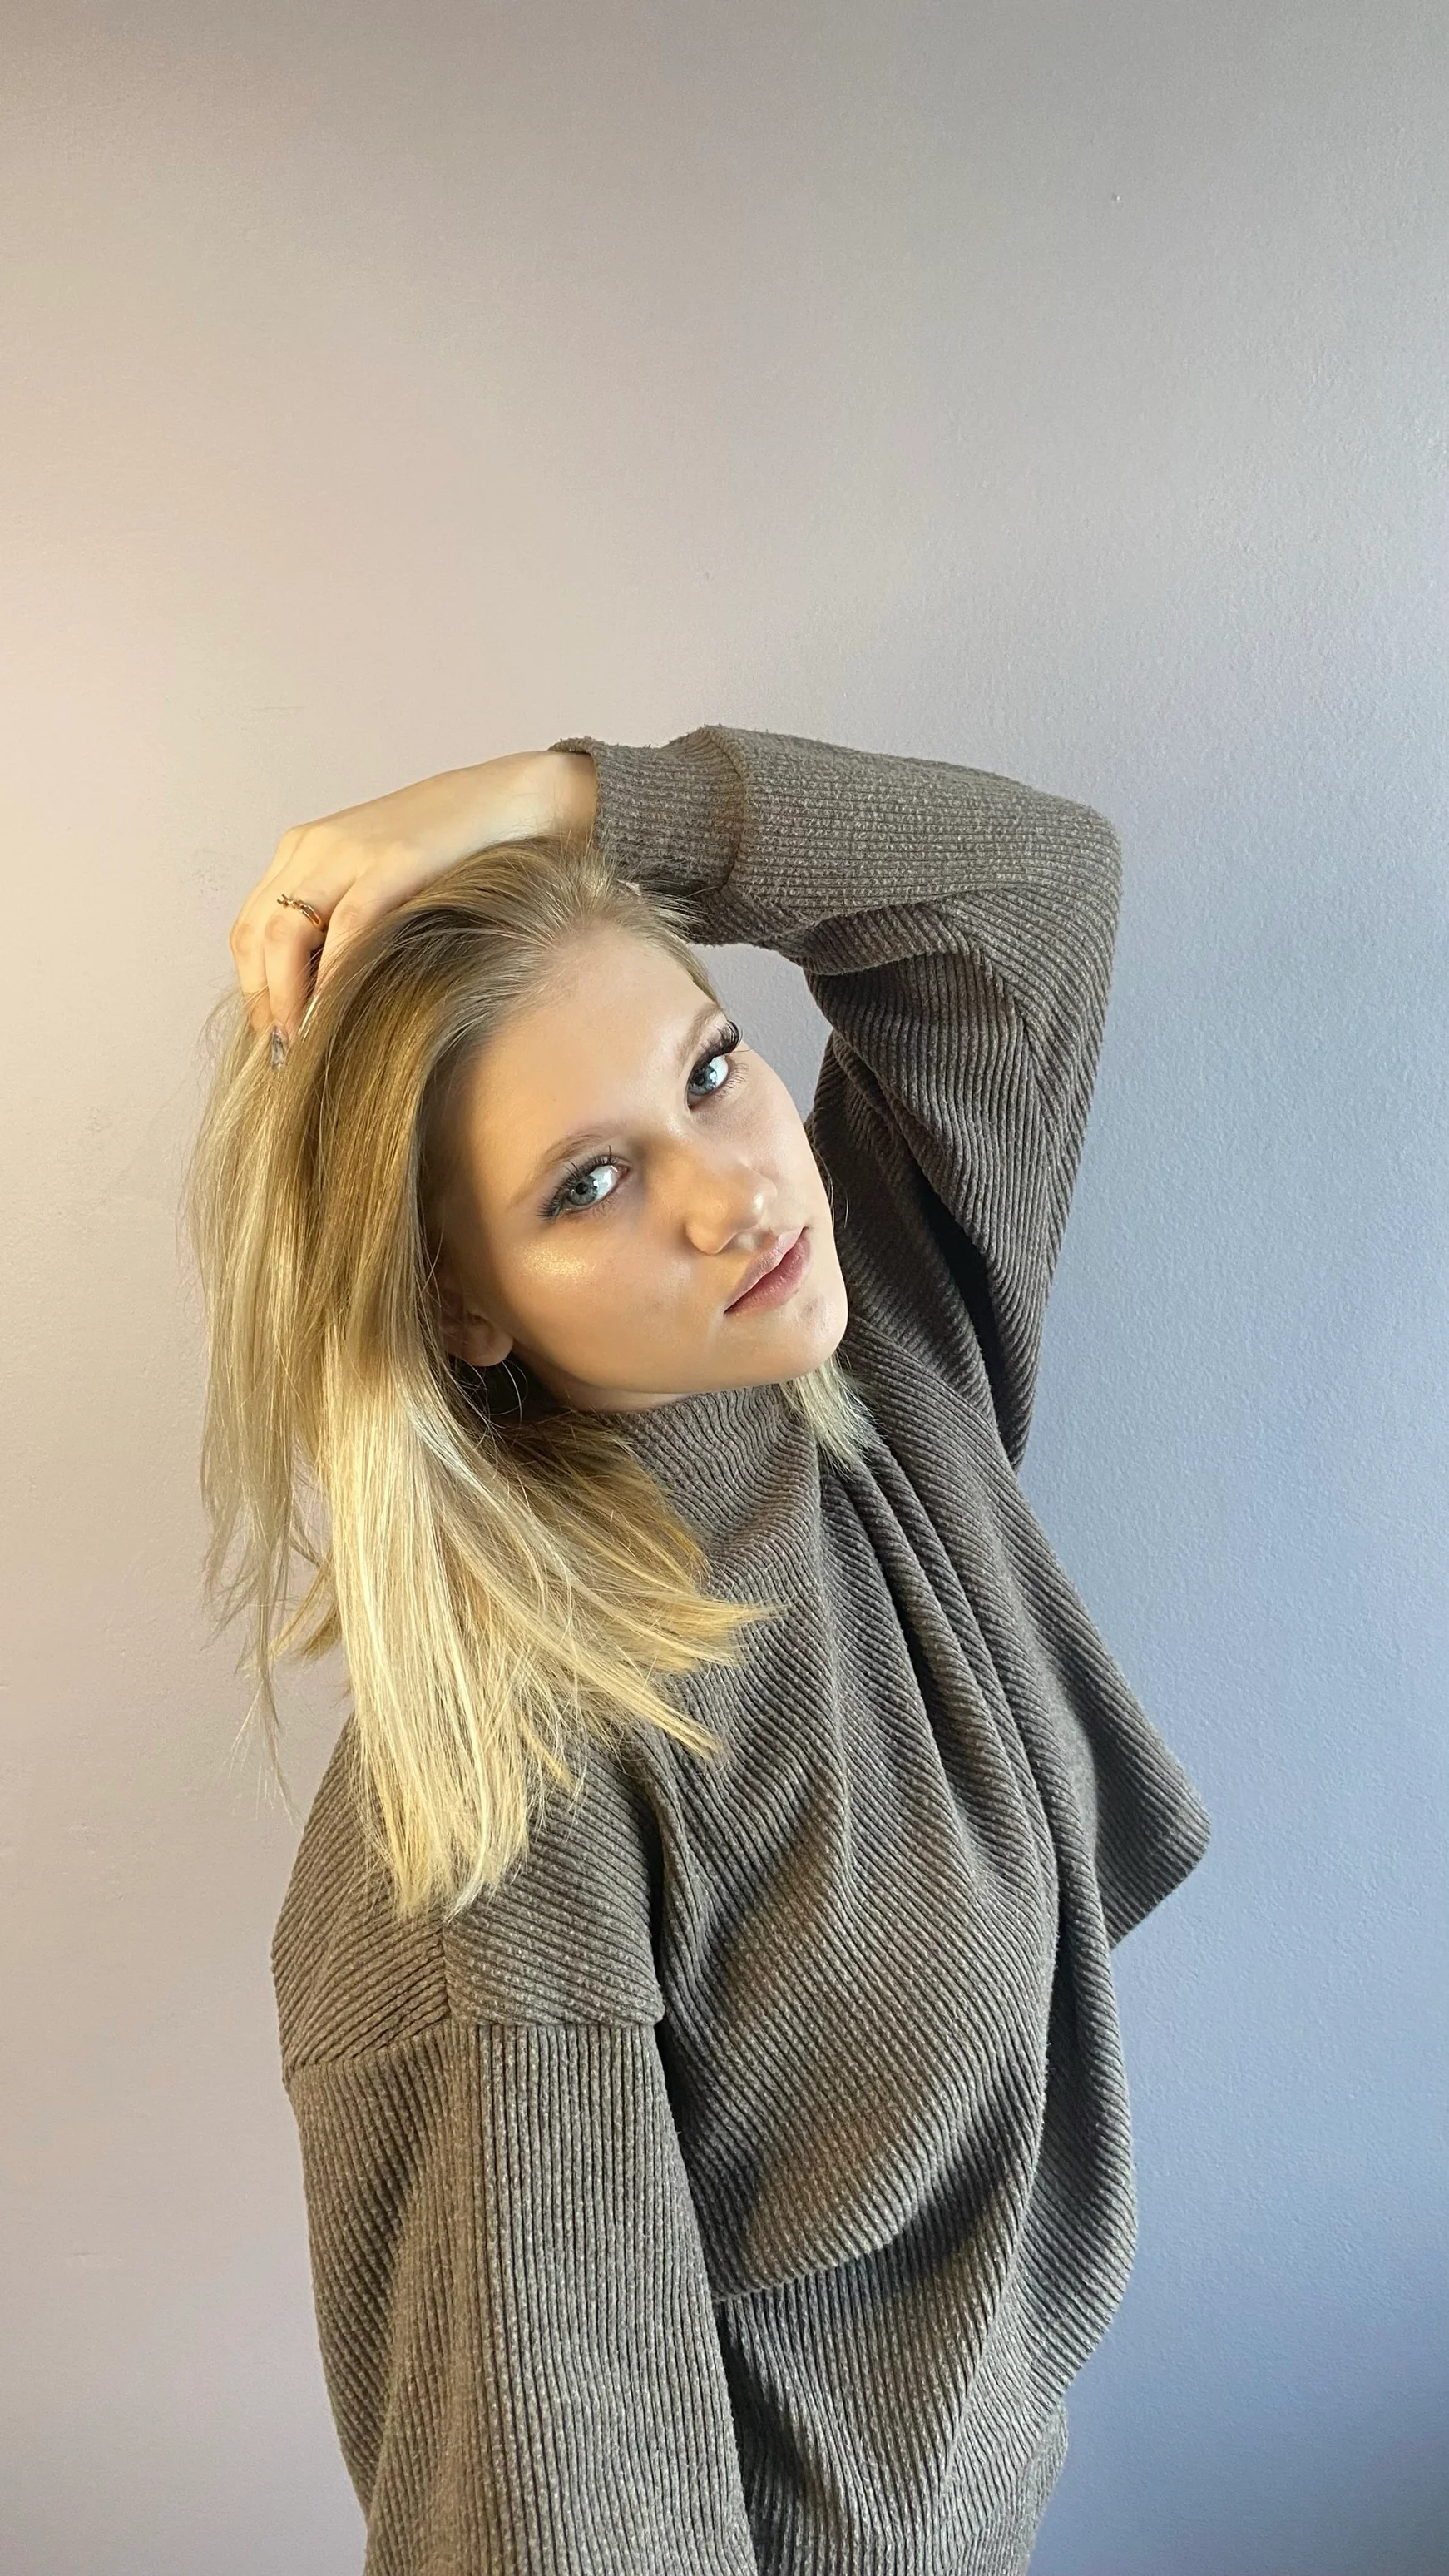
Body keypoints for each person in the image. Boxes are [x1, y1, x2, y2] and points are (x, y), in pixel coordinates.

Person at [185, 723, 1211, 2576]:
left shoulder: (871, 1371)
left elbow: (1028, 895)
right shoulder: (510, 1822)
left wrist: (564, 802)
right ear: (458, 1305)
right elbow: (551, 2523)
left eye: (714, 1069)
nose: (734, 1194)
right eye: (588, 1184)